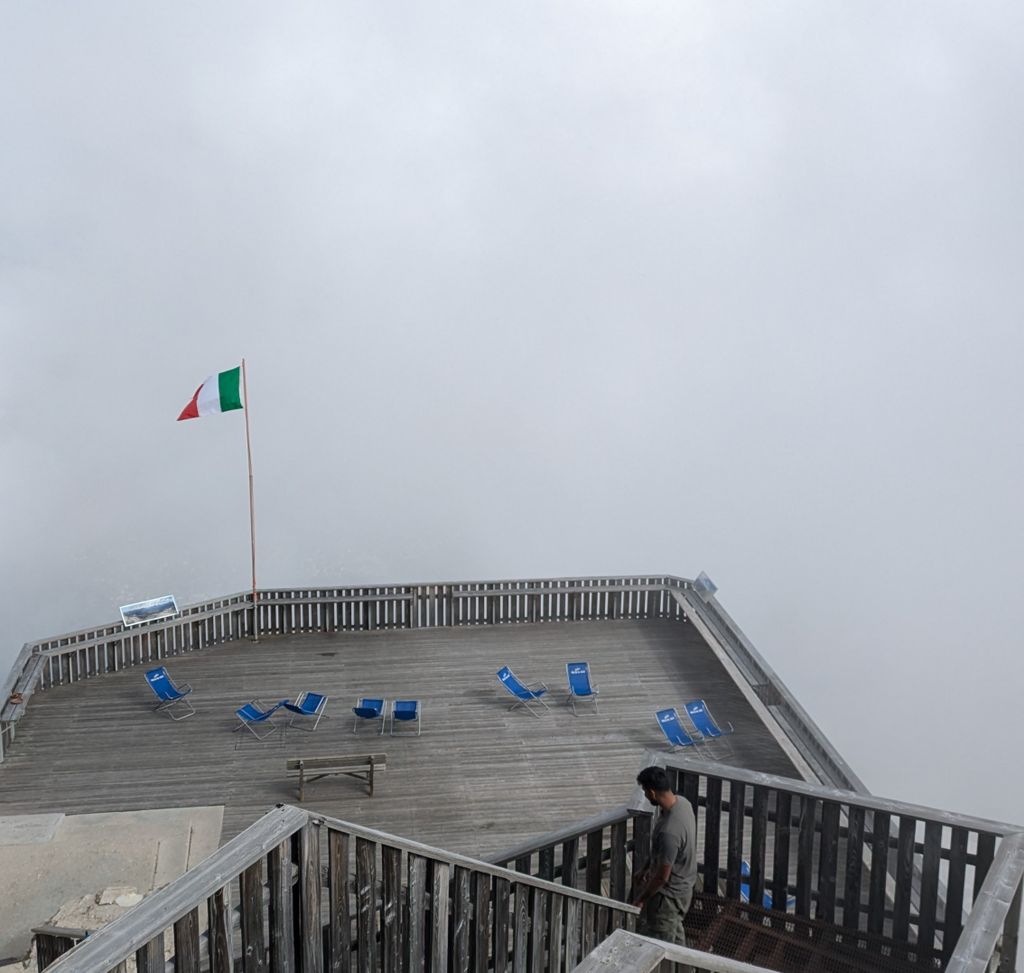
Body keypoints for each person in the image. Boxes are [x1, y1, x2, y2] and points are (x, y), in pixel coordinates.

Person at [632, 765, 698, 947]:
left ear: (652, 792)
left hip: (668, 897)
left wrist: (641, 899)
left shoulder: (670, 831)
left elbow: (662, 877)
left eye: (645, 791)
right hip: (685, 888)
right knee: (675, 935)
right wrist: (645, 868)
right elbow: (663, 853)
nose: (645, 795)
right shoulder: (683, 804)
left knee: (661, 944)